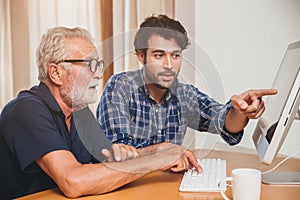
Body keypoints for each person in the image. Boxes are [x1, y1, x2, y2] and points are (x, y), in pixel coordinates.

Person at [0, 27, 201, 199]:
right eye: (89, 65)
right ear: (56, 73)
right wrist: (157, 160)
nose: (98, 73)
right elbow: (74, 181)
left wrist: (160, 150)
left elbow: (109, 159)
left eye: (98, 65)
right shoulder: (26, 110)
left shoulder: (78, 110)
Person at [97, 14, 277, 148]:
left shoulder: (184, 93)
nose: (169, 65)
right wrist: (166, 153)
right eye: (159, 55)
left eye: (175, 55)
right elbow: (118, 153)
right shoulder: (119, 87)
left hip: (164, 187)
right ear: (141, 56)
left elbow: (221, 121)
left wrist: (240, 111)